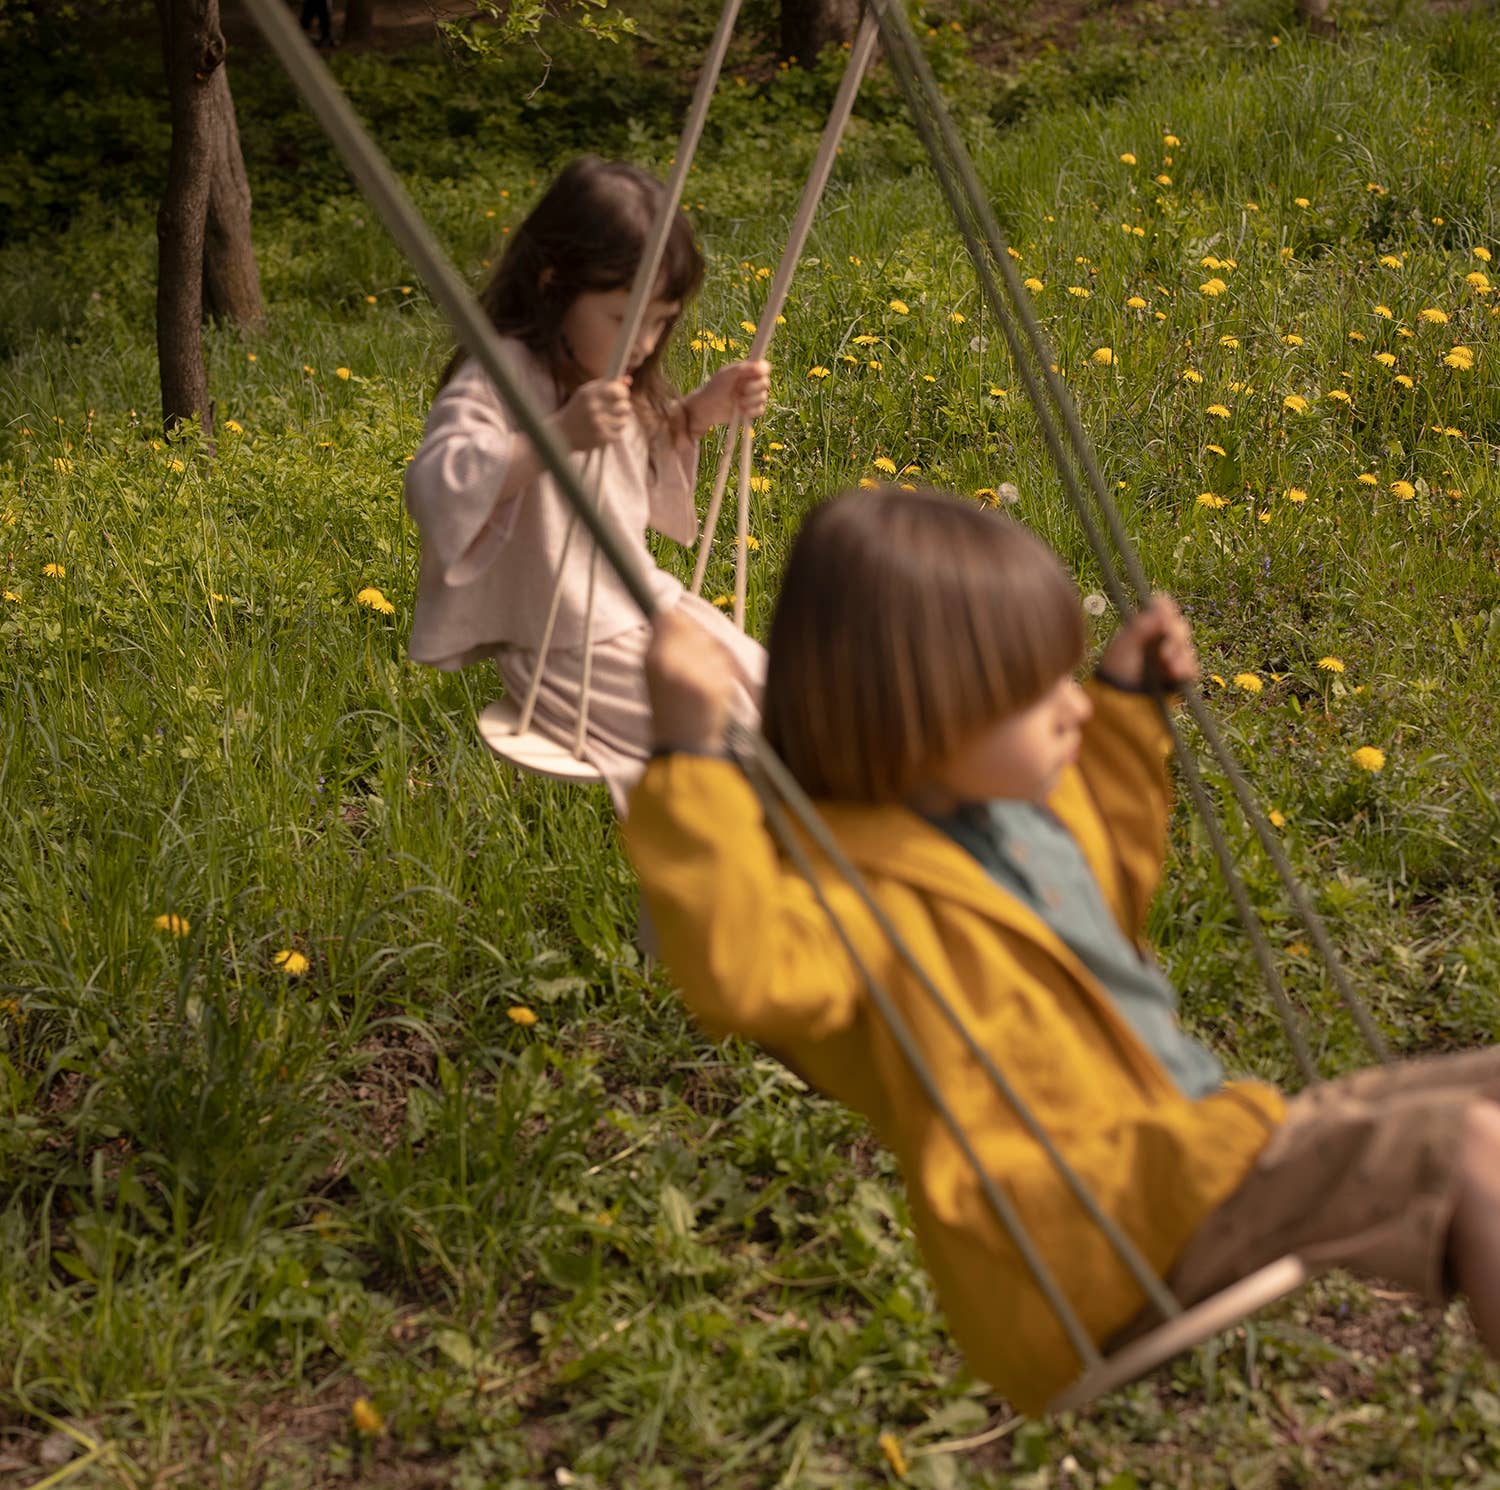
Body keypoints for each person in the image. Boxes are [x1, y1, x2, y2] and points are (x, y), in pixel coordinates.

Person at [621, 485, 1500, 1415]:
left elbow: (1101, 892)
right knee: (1467, 1147)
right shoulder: (855, 898)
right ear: (920, 712)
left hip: (1198, 1157)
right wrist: (689, 759)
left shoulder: (1011, 817)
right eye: (1036, 693)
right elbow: (741, 975)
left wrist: (1125, 703)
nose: (1068, 708)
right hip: (1103, 1230)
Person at [405, 156, 770, 813]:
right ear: (553, 285)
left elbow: (634, 457)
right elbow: (438, 484)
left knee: (780, 698)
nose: (645, 343)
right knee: (725, 742)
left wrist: (698, 413)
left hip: (642, 603)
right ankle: (739, 857)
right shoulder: (500, 375)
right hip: (563, 642)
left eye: (661, 321)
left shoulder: (610, 372)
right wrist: (556, 436)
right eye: (626, 319)